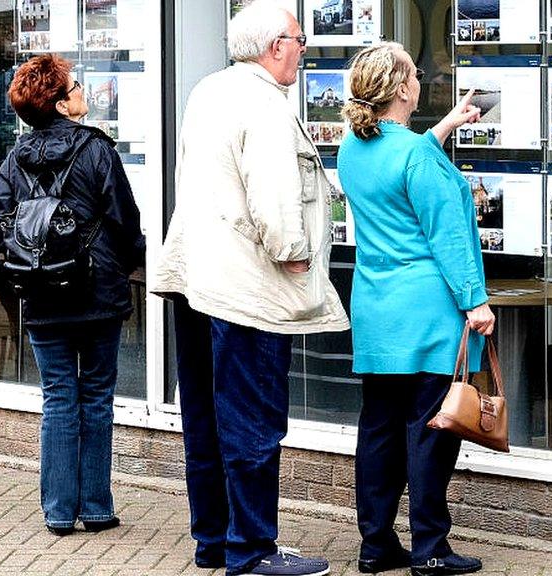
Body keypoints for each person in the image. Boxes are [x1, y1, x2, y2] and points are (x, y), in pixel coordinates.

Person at [153, 2, 349, 575]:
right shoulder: (264, 102)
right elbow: (274, 193)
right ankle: (253, 550)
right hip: (246, 287)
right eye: (299, 38)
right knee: (253, 421)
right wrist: (291, 253)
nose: (305, 47)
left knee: (206, 421)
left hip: (196, 279)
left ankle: (214, 541)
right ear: (274, 46)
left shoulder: (207, 91)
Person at [336, 43, 495, 576]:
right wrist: (475, 302)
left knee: (379, 427)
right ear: (404, 88)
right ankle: (430, 548)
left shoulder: (354, 148)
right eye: (416, 74)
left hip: (379, 310)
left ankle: (375, 544)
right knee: (430, 430)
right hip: (429, 311)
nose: (421, 80)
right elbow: (448, 236)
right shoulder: (416, 156)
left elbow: (399, 161)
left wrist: (445, 125)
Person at [0, 54, 145, 536]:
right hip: (97, 291)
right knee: (96, 396)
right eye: (76, 87)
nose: (83, 92)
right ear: (61, 103)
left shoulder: (13, 160)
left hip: (40, 293)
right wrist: (129, 264)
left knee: (58, 396)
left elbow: (0, 228)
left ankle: (59, 511)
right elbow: (125, 220)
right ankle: (97, 507)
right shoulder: (98, 151)